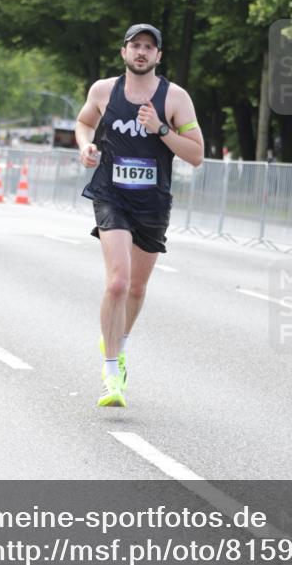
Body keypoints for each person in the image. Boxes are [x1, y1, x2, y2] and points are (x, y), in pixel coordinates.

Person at [76, 24, 204, 408]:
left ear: (159, 56)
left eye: (149, 47)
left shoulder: (175, 97)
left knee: (136, 289)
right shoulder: (103, 91)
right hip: (111, 195)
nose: (142, 52)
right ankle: (111, 372)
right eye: (136, 46)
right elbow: (84, 123)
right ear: (124, 52)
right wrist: (86, 146)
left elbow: (196, 154)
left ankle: (120, 342)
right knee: (117, 282)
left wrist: (161, 128)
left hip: (152, 202)